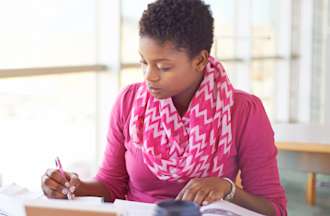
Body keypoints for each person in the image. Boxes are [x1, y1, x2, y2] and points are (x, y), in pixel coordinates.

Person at [41, 0, 287, 215]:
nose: (149, 76)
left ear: (200, 60)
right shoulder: (129, 103)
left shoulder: (243, 111)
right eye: (144, 62)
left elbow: (274, 209)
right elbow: (111, 185)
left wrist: (227, 188)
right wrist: (74, 186)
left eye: (164, 67)